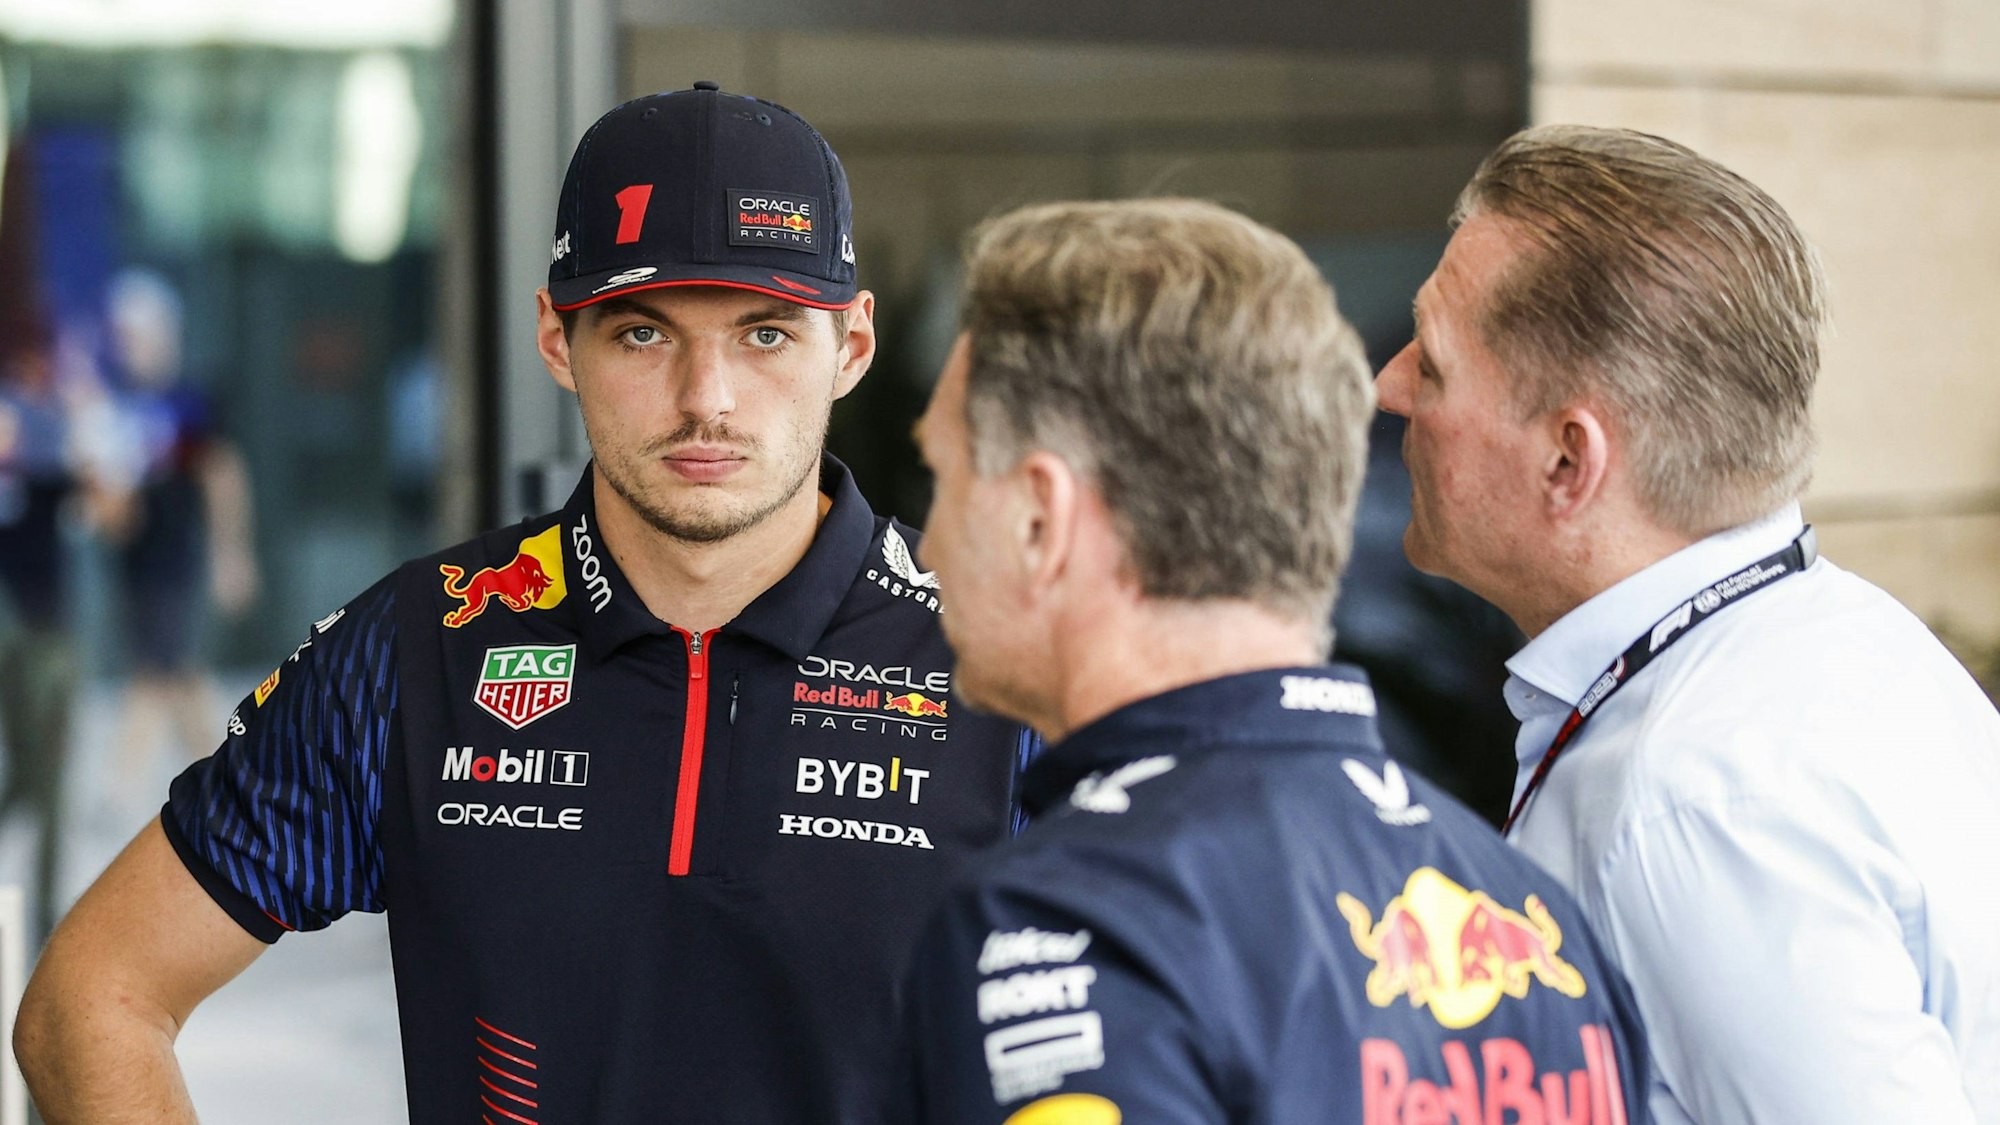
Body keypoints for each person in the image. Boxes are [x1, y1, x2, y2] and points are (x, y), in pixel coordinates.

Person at [15, 82, 1033, 1124]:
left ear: (852, 347)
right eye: (642, 334)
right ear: (556, 340)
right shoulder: (421, 646)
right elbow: (94, 999)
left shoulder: (1005, 657)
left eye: (765, 335)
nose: (706, 400)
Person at [894, 198, 1647, 1123]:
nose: (928, 548)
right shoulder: (1537, 923)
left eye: (947, 477)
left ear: (1041, 518)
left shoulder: (1066, 924)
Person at [1375, 124, 2000, 1123]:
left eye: (1435, 366)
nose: (1389, 383)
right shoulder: (1845, 641)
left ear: (1567, 464)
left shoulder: (1694, 801)